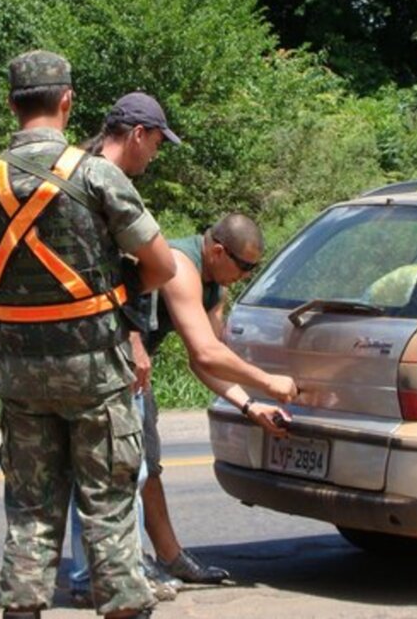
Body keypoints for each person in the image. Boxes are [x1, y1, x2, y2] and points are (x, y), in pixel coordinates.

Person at [0, 51, 176, 619]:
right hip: (95, 373)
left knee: (30, 507)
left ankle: (23, 608)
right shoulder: (97, 174)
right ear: (67, 102)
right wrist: (113, 296)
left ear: (11, 104)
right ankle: (125, 605)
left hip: (20, 373)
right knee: (106, 503)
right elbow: (161, 266)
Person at [67, 92, 182, 608]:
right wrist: (136, 339)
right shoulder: (104, 183)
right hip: (106, 347)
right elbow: (136, 271)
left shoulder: (74, 173)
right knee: (119, 466)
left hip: (68, 346)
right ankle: (113, 574)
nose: (155, 155)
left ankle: (94, 573)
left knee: (91, 468)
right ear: (137, 134)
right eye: (156, 143)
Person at [141, 213, 296, 584]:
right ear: (216, 250)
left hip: (136, 369)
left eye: (253, 268)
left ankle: (170, 558)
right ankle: (128, 564)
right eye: (244, 266)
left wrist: (250, 405)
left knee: (146, 466)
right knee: (129, 469)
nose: (246, 276)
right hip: (110, 362)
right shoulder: (180, 266)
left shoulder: (217, 288)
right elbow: (207, 353)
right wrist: (268, 382)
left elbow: (206, 362)